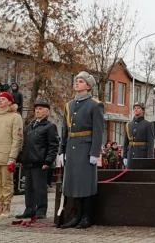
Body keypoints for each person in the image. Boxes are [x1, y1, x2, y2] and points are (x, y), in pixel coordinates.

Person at [58, 71, 104, 229]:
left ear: (88, 86)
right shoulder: (69, 105)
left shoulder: (95, 104)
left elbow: (98, 131)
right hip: (71, 147)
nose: (77, 83)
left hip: (86, 147)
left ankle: (86, 217)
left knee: (85, 183)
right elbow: (65, 129)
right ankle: (76, 216)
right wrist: (61, 150)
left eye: (81, 81)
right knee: (73, 183)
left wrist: (94, 152)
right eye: (76, 80)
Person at [15, 100, 59, 219]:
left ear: (47, 111)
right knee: (28, 188)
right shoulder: (30, 126)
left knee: (40, 188)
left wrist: (48, 161)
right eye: (36, 109)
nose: (37, 111)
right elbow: (25, 144)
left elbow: (53, 145)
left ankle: (41, 210)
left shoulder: (50, 126)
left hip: (40, 162)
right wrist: (20, 158)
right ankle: (29, 209)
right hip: (28, 161)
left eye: (40, 109)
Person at [0, 92, 23, 219]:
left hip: (6, 155)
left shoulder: (15, 117)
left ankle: (6, 207)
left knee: (7, 182)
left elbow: (17, 139)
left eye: (3, 99)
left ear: (10, 102)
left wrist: (12, 157)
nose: (0, 101)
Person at [123, 102, 155, 168]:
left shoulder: (148, 124)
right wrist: (125, 156)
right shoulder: (128, 125)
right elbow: (125, 143)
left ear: (142, 110)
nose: (136, 109)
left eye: (138, 108)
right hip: (130, 156)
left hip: (142, 155)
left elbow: (151, 143)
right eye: (134, 108)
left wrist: (150, 159)